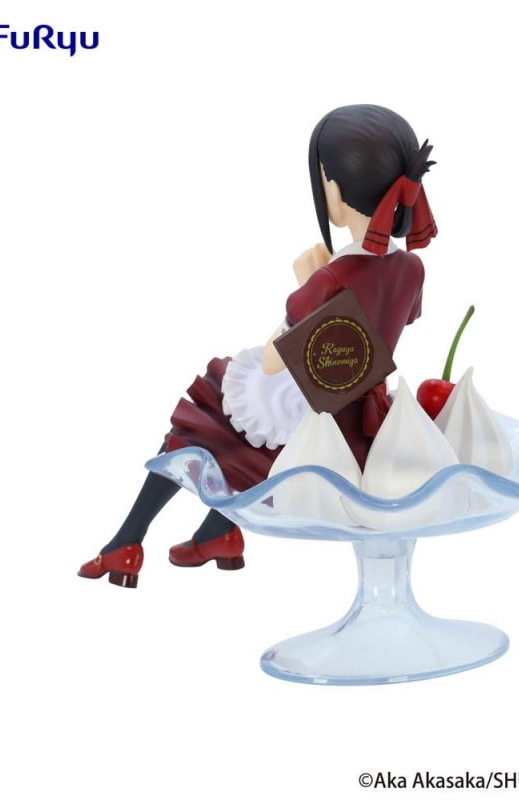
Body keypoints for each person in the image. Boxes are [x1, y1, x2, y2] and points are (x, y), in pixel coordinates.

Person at [78, 104, 437, 588]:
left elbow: (274, 361)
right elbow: (380, 334)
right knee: (233, 434)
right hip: (362, 420)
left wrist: (312, 284)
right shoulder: (412, 268)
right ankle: (216, 534)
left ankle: (125, 543)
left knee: (203, 416)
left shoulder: (329, 276)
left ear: (333, 188)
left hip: (316, 425)